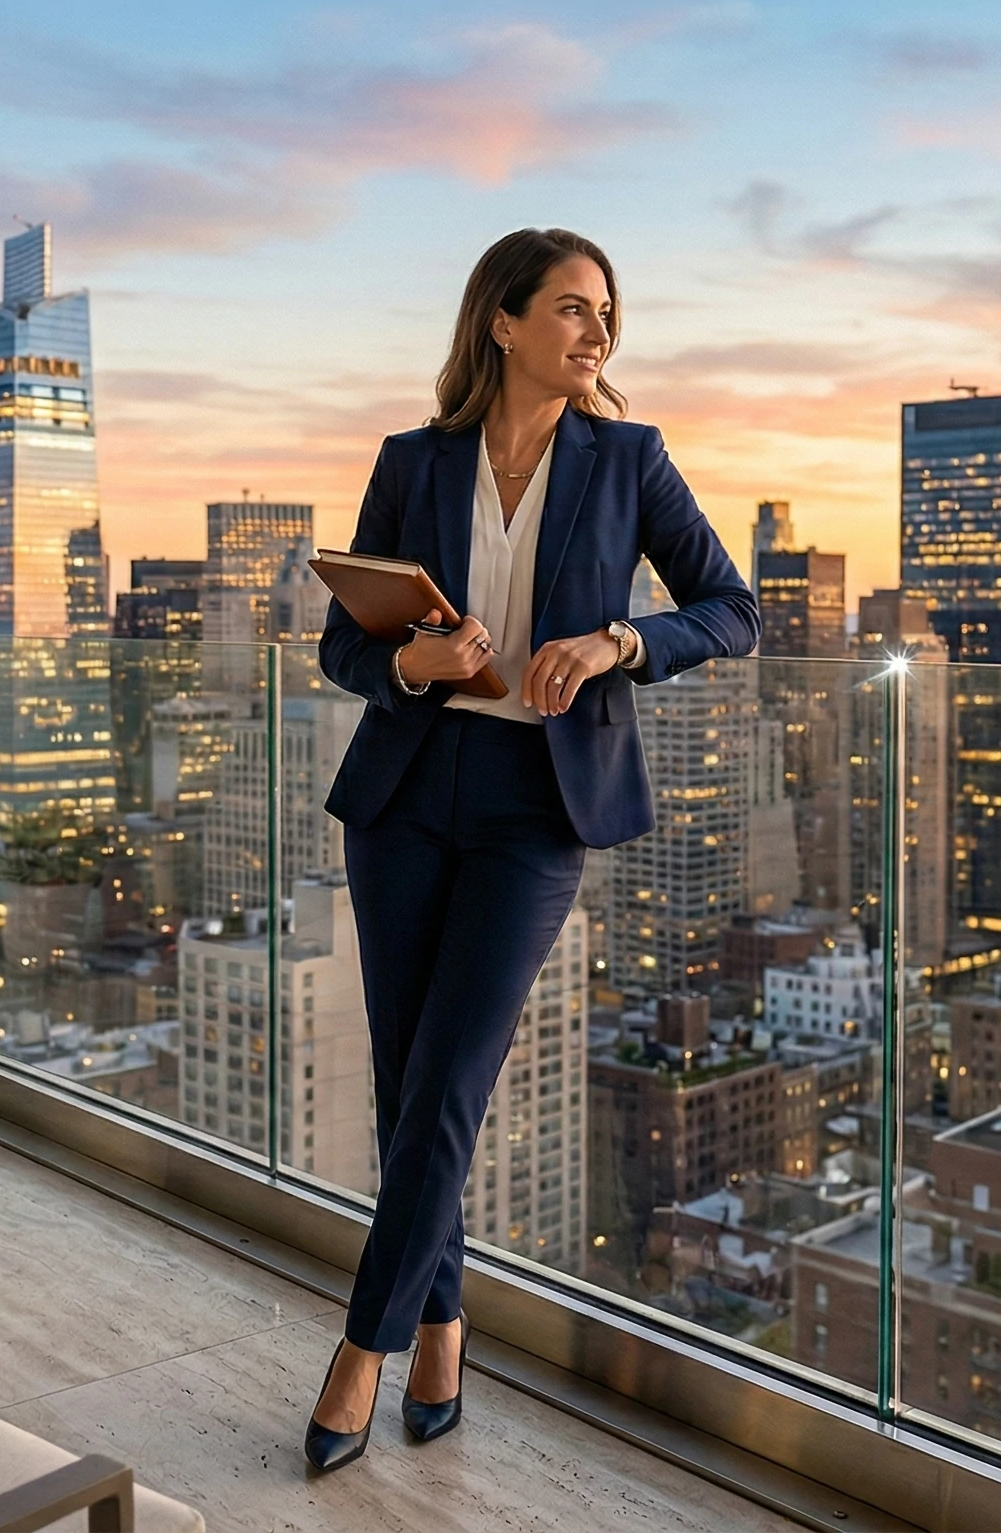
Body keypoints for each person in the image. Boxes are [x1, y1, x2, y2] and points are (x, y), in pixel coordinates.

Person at [302, 228, 759, 1472]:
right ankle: (443, 1325)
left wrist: (616, 641)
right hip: (404, 794)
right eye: (570, 308)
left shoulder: (629, 460)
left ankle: (361, 1351)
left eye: (606, 311)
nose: (596, 332)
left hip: (537, 807)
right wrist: (409, 662)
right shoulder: (413, 461)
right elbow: (343, 645)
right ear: (502, 323)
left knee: (450, 1081)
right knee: (408, 1089)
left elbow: (732, 607)